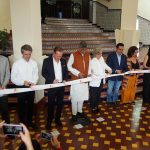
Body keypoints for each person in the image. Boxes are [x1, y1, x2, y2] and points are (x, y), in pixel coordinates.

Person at [11, 44, 39, 129]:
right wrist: (23, 82)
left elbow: (36, 75)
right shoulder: (16, 64)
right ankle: (22, 124)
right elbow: (13, 78)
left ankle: (30, 122)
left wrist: (34, 82)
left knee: (31, 105)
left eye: (29, 54)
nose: (28, 56)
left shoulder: (34, 63)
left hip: (31, 87)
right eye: (26, 54)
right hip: (20, 87)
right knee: (21, 106)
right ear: (22, 53)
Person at [42, 47, 68, 129]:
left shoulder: (63, 61)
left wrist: (64, 79)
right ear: (53, 54)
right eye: (57, 56)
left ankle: (57, 119)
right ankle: (49, 121)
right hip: (52, 86)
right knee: (51, 104)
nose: (59, 57)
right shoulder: (46, 61)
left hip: (61, 86)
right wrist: (51, 80)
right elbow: (44, 73)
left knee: (60, 104)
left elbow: (66, 73)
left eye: (60, 56)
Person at [67, 41, 91, 122]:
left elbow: (89, 65)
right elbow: (69, 66)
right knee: (75, 98)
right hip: (76, 80)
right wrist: (78, 73)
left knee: (82, 97)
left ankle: (80, 111)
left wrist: (90, 74)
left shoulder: (88, 54)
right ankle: (74, 114)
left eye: (85, 50)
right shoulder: (73, 55)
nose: (83, 51)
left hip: (85, 80)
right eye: (82, 50)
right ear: (79, 48)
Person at [89, 48, 112, 113]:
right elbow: (96, 72)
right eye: (100, 53)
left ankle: (96, 106)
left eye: (102, 53)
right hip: (94, 81)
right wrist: (105, 74)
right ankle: (93, 107)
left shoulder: (101, 58)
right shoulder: (93, 61)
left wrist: (109, 69)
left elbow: (104, 65)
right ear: (96, 54)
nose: (101, 55)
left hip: (101, 80)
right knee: (93, 95)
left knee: (98, 95)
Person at [0, 55, 10, 123]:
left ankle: (7, 130)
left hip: (3, 90)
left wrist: (3, 85)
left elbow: (7, 74)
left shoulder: (5, 59)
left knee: (5, 112)